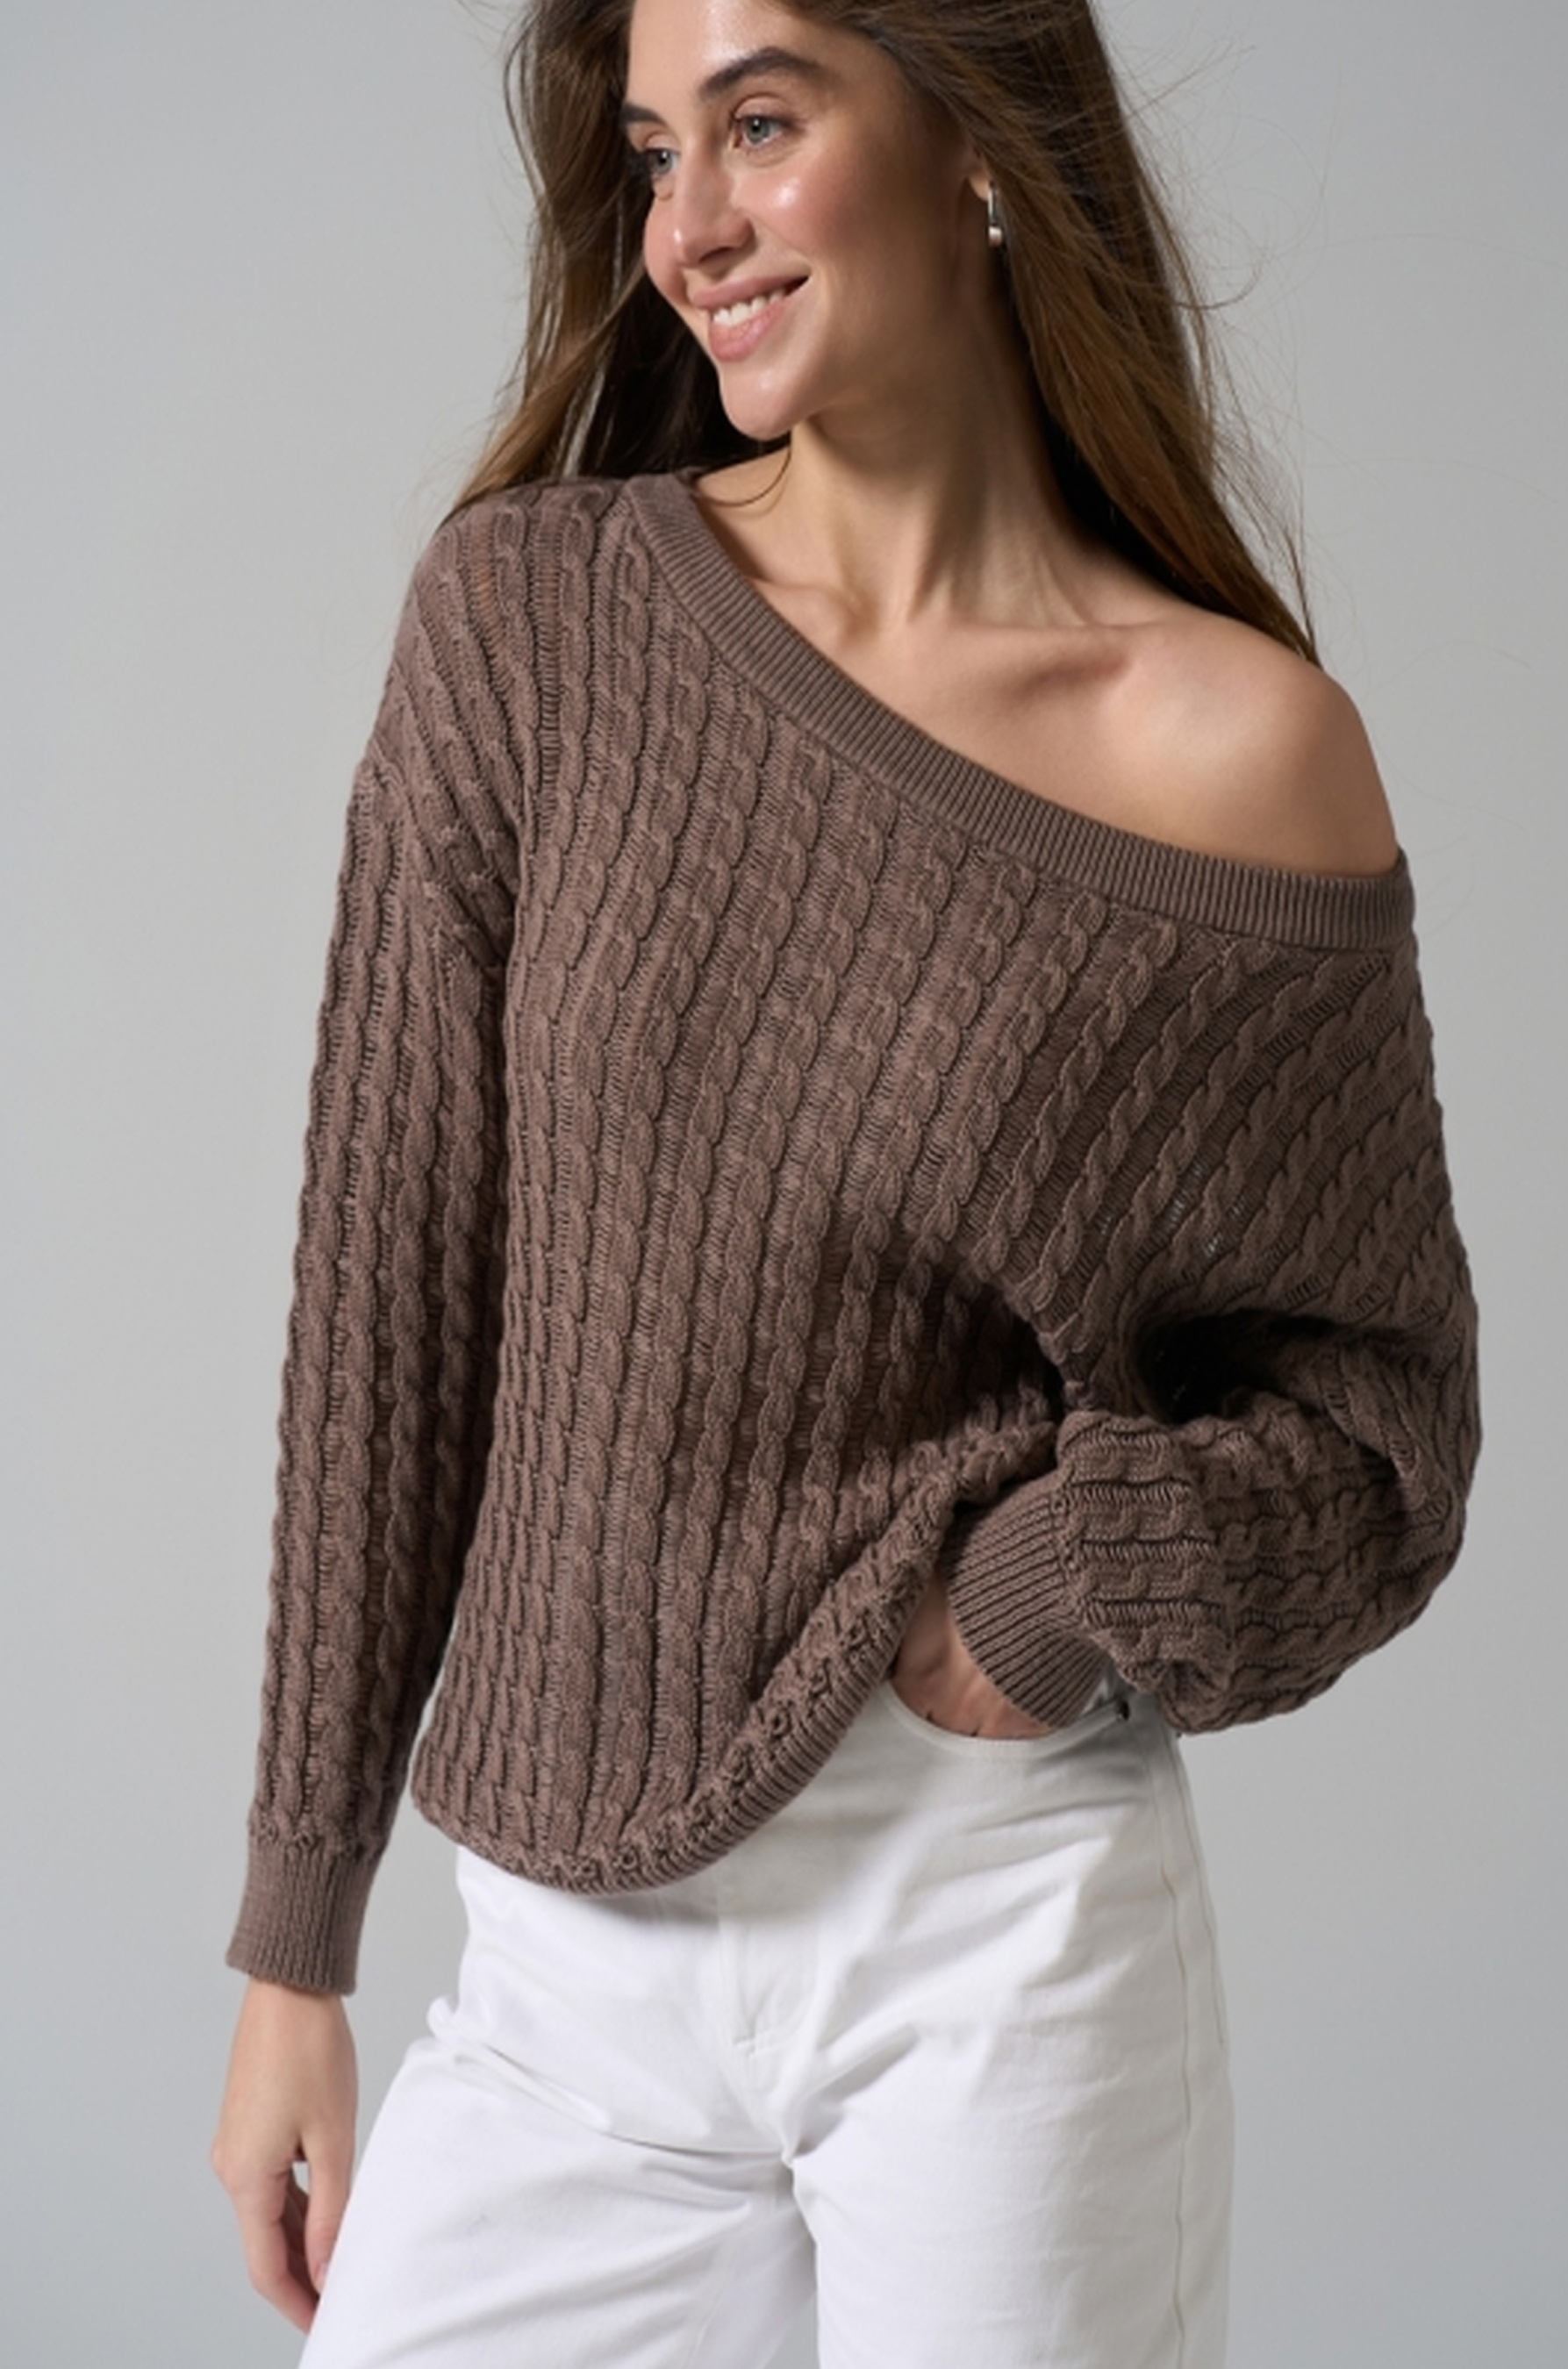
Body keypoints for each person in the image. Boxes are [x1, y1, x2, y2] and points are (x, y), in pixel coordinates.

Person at [211, 0, 1481, 2361]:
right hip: (567, 1956)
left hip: (993, 1936)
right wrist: (300, 1934)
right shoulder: (528, 625)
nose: (688, 226)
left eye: (763, 124)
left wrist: (1053, 1586)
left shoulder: (1234, 748)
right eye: (652, 151)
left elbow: (1382, 1420)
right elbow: (392, 1296)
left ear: (979, 142)